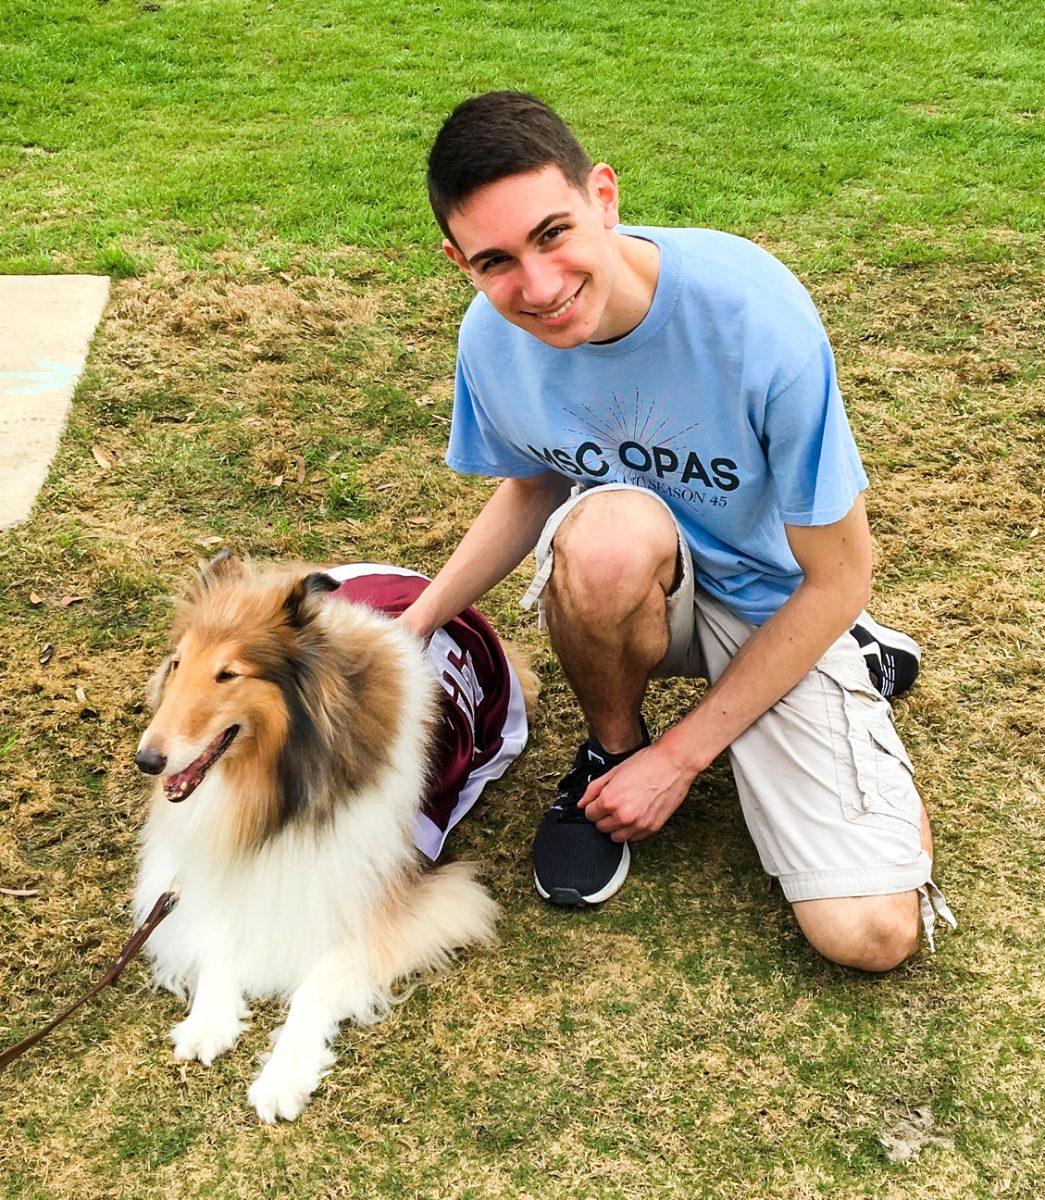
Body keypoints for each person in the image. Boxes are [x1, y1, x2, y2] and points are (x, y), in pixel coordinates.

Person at [399, 91, 954, 971]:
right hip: (639, 576)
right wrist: (415, 624)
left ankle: (854, 673)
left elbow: (838, 576)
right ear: (456, 260)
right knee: (607, 536)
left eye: (553, 234)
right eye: (495, 261)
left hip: (781, 600)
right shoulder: (491, 340)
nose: (536, 289)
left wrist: (685, 758)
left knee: (869, 937)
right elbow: (535, 482)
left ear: (605, 197)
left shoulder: (753, 318)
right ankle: (610, 752)